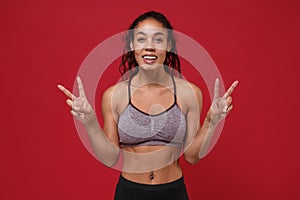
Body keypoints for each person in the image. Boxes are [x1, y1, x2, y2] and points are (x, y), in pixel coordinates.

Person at [57, 11, 238, 200]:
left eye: (158, 40)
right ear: (132, 45)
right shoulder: (114, 95)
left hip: (173, 193)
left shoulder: (189, 93)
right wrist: (90, 121)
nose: (149, 47)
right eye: (141, 39)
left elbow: (192, 157)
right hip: (129, 193)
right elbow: (110, 158)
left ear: (168, 46)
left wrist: (211, 121)